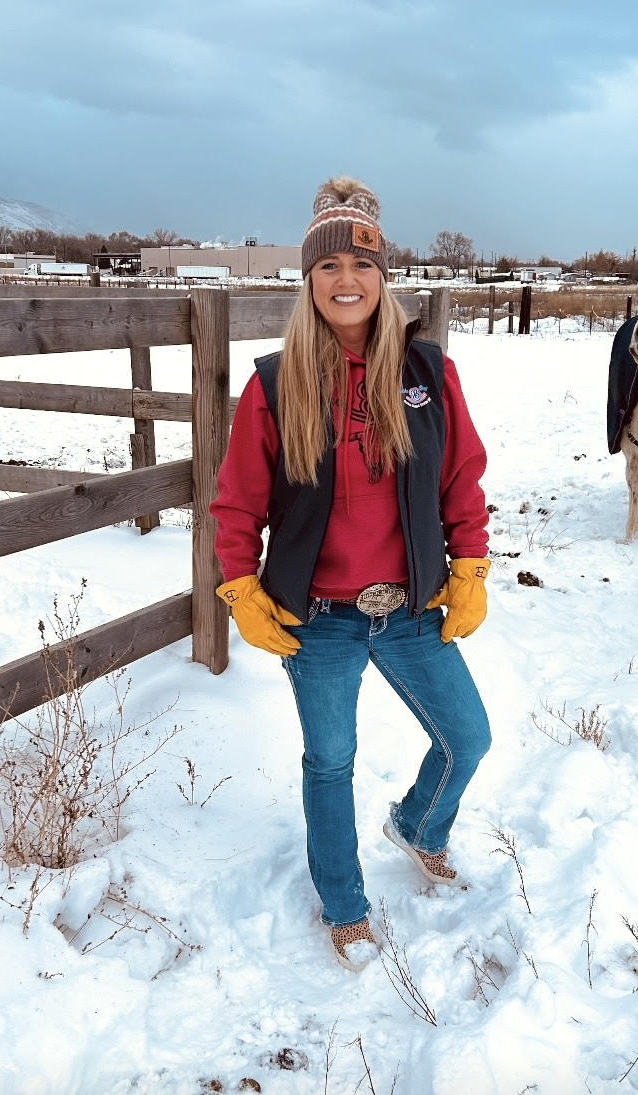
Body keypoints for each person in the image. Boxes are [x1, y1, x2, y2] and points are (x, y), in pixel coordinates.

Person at [209, 176, 493, 971]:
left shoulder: (427, 373)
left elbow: (459, 477)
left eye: (362, 266)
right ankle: (343, 903)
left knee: (467, 737)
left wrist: (468, 562)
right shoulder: (273, 383)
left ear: (382, 277)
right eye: (328, 266)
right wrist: (241, 586)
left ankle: (420, 826)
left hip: (411, 607)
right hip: (320, 617)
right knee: (330, 759)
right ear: (308, 279)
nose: (346, 280)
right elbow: (236, 504)